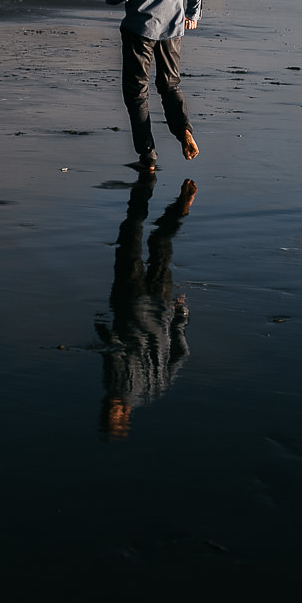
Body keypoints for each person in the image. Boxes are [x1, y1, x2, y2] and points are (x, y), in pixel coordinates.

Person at [106, 0, 204, 171]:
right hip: (172, 28)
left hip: (141, 29)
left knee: (136, 93)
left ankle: (147, 155)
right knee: (170, 86)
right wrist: (193, 12)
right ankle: (183, 130)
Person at [96, 175, 196, 438]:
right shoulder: (116, 387)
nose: (107, 408)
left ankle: (178, 211)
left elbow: (181, 355)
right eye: (111, 414)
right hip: (129, 303)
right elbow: (116, 351)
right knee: (130, 236)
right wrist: (101, 332)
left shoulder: (157, 390)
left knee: (161, 244)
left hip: (162, 305)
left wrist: (180, 318)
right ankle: (144, 187)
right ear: (124, 414)